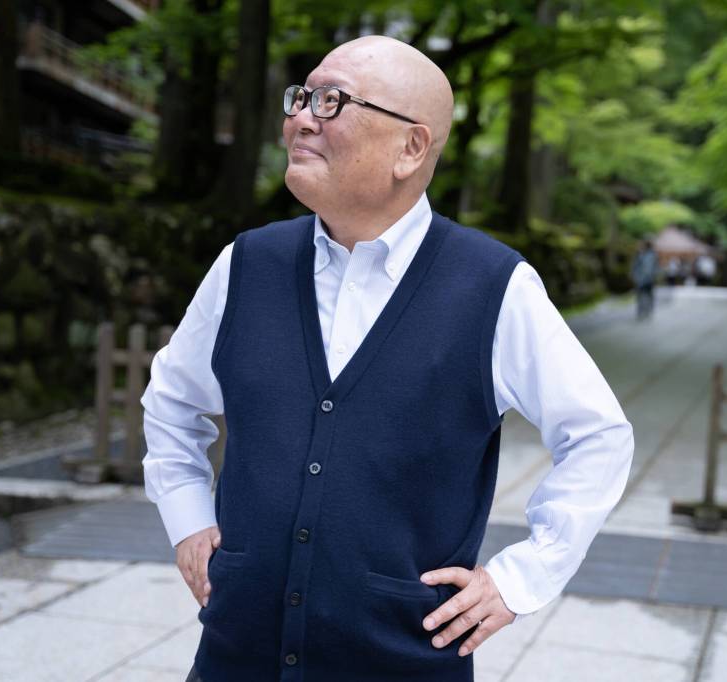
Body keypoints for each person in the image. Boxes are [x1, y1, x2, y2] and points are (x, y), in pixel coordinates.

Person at [141, 35, 634, 682]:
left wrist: (521, 579)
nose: (301, 118)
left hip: (401, 659)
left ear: (411, 148)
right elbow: (171, 402)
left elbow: (597, 435)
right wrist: (187, 518)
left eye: (332, 101)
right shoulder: (247, 264)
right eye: (302, 97)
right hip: (235, 659)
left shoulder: (491, 286)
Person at [632, 239, 658, 319]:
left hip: (644, 279)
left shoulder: (645, 255)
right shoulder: (648, 255)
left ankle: (644, 311)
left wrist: (636, 277)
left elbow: (637, 268)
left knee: (643, 295)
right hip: (646, 279)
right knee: (646, 295)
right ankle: (646, 311)